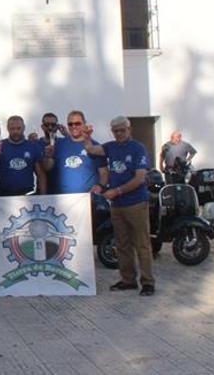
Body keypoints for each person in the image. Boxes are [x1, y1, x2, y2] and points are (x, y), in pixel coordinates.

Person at [84, 116, 155, 296]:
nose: (119, 134)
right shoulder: (110, 147)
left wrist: (117, 191)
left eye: (122, 130)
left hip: (136, 202)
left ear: (129, 129)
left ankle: (147, 282)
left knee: (142, 244)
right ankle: (128, 279)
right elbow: (91, 149)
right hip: (117, 205)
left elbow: (139, 178)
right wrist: (86, 135)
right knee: (122, 244)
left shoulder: (138, 148)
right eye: (115, 131)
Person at [0, 116, 53, 195]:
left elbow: (40, 174)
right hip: (4, 194)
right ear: (8, 128)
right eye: (12, 129)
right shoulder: (0, 145)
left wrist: (43, 197)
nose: (15, 131)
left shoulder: (32, 146)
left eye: (18, 128)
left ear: (24, 128)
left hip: (27, 193)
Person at [50, 110, 108, 195]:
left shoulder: (95, 146)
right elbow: (48, 168)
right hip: (62, 201)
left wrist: (100, 187)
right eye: (70, 124)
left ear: (84, 123)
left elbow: (104, 173)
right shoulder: (59, 144)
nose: (74, 126)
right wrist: (47, 157)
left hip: (87, 200)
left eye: (77, 123)